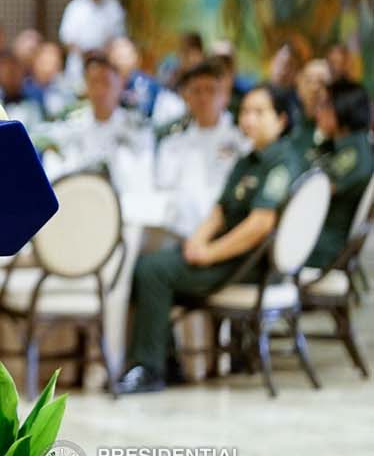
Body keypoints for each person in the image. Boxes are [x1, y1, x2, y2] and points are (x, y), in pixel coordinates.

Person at [116, 84, 304, 394]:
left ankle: (150, 369)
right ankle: (165, 359)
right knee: (147, 265)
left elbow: (260, 225)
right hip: (226, 253)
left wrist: (210, 253)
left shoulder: (281, 162)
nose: (249, 119)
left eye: (259, 112)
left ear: (282, 119)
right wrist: (197, 241)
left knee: (153, 271)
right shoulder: (249, 158)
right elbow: (220, 210)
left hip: (249, 262)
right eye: (245, 111)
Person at [153, 61, 250, 239]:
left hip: (219, 236)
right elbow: (162, 193)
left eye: (211, 90)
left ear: (225, 96)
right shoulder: (172, 144)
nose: (204, 98)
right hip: (174, 233)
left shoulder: (242, 145)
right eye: (196, 91)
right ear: (186, 96)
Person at [37, 52, 154, 194]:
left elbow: (144, 175)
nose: (99, 91)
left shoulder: (136, 127)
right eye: (93, 82)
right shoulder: (73, 126)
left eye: (105, 82)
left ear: (120, 84)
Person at [304, 80, 373, 269]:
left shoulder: (355, 153)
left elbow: (312, 193)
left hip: (323, 245)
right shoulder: (333, 144)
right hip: (310, 235)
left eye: (324, 104)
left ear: (344, 107)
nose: (318, 110)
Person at [58, 0, 125, 58]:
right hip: (79, 59)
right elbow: (66, 37)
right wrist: (83, 54)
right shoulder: (75, 7)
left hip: (105, 58)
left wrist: (104, 51)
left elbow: (119, 36)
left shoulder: (114, 8)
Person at [290, 58, 331, 155]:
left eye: (322, 82)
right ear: (299, 85)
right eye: (308, 81)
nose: (314, 88)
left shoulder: (338, 129)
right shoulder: (288, 119)